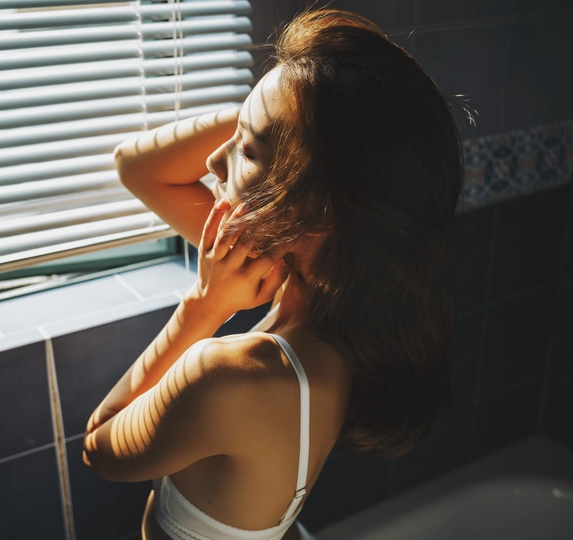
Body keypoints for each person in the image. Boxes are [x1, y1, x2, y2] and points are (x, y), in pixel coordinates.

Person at [82, 7, 467, 540]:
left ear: (316, 207)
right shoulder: (329, 297)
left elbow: (99, 448)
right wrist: (272, 107)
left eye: (245, 150)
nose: (212, 163)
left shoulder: (229, 377)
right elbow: (137, 166)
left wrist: (204, 306)